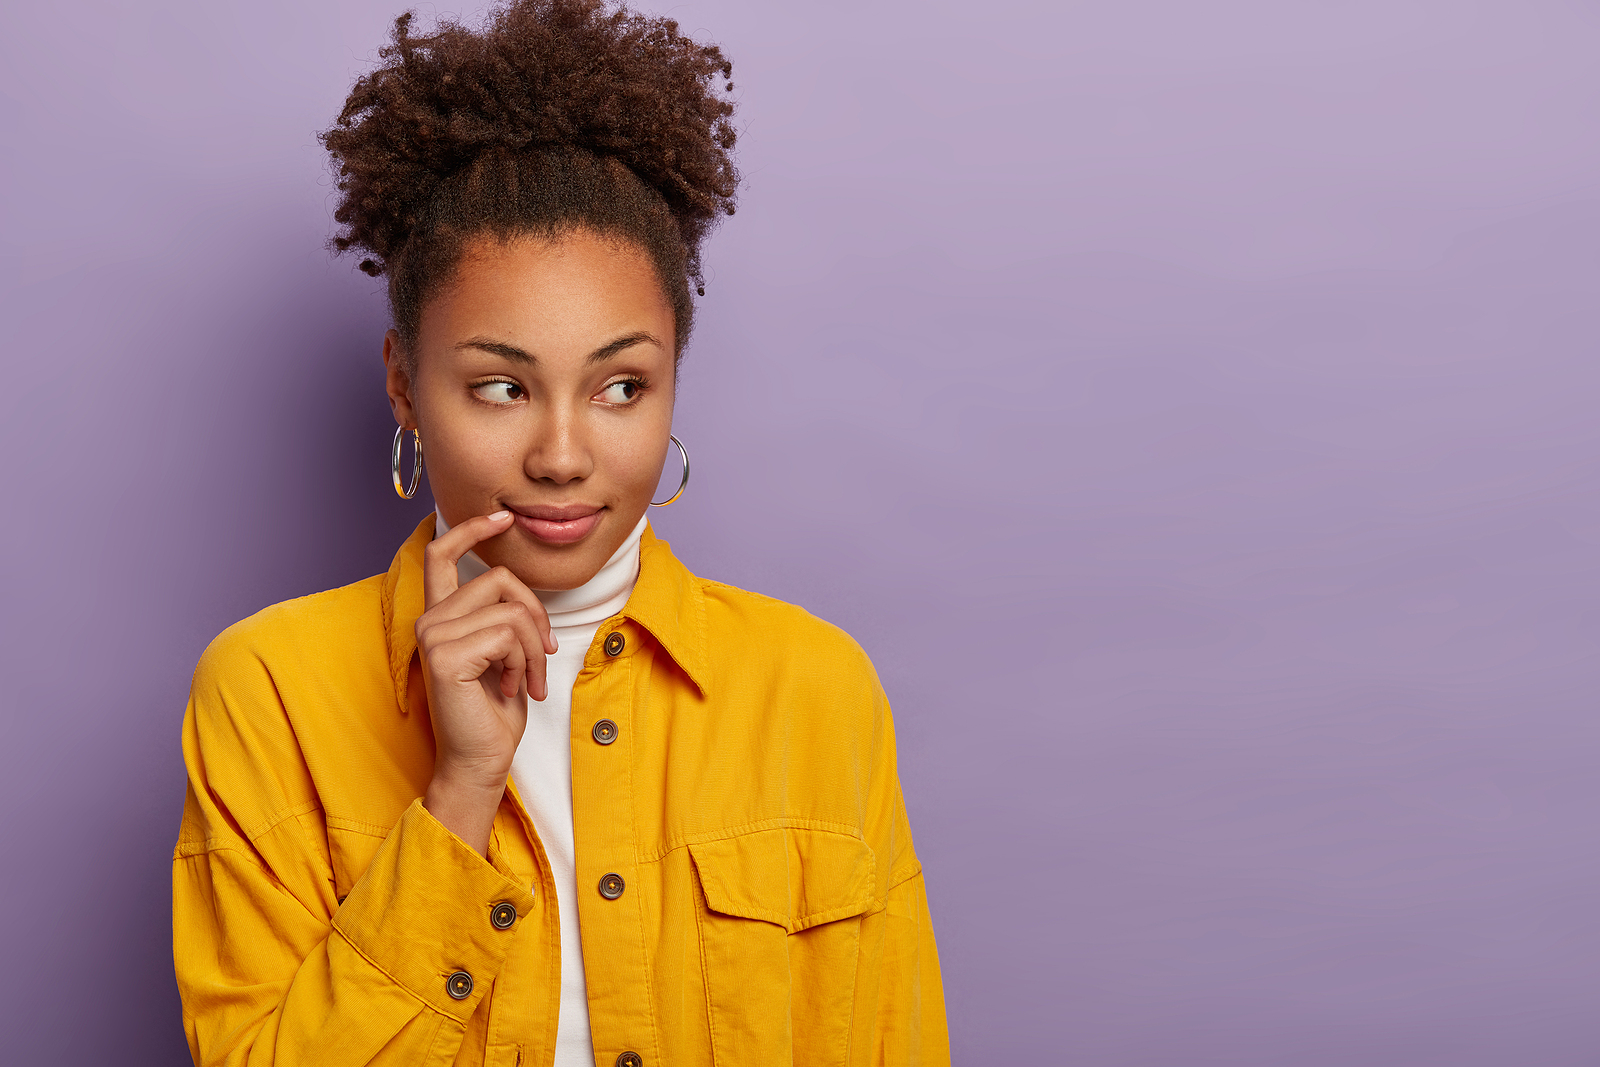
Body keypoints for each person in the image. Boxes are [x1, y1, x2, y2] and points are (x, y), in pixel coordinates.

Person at [171, 2, 948, 1064]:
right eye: (500, 386)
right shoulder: (270, 694)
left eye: (622, 384)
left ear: (674, 379)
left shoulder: (814, 690)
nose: (564, 452)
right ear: (404, 385)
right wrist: (456, 795)